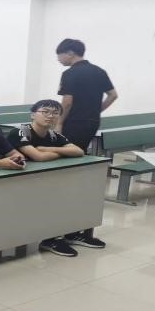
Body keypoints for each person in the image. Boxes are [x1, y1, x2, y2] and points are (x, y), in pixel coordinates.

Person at [54, 38, 117, 249]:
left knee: (66, 164)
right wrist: (95, 111)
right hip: (91, 122)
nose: (58, 59)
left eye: (59, 55)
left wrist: (59, 123)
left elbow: (67, 102)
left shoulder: (70, 73)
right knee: (77, 159)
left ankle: (65, 217)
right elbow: (113, 95)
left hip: (73, 123)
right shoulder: (99, 71)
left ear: (70, 53)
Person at [6, 100, 85, 257]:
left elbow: (79, 151)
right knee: (51, 201)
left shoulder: (53, 135)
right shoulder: (22, 131)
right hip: (17, 183)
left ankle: (63, 234)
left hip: (42, 180)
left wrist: (47, 148)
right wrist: (61, 153)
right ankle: (49, 238)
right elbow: (39, 157)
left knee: (69, 196)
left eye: (55, 113)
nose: (50, 116)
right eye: (45, 112)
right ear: (33, 115)